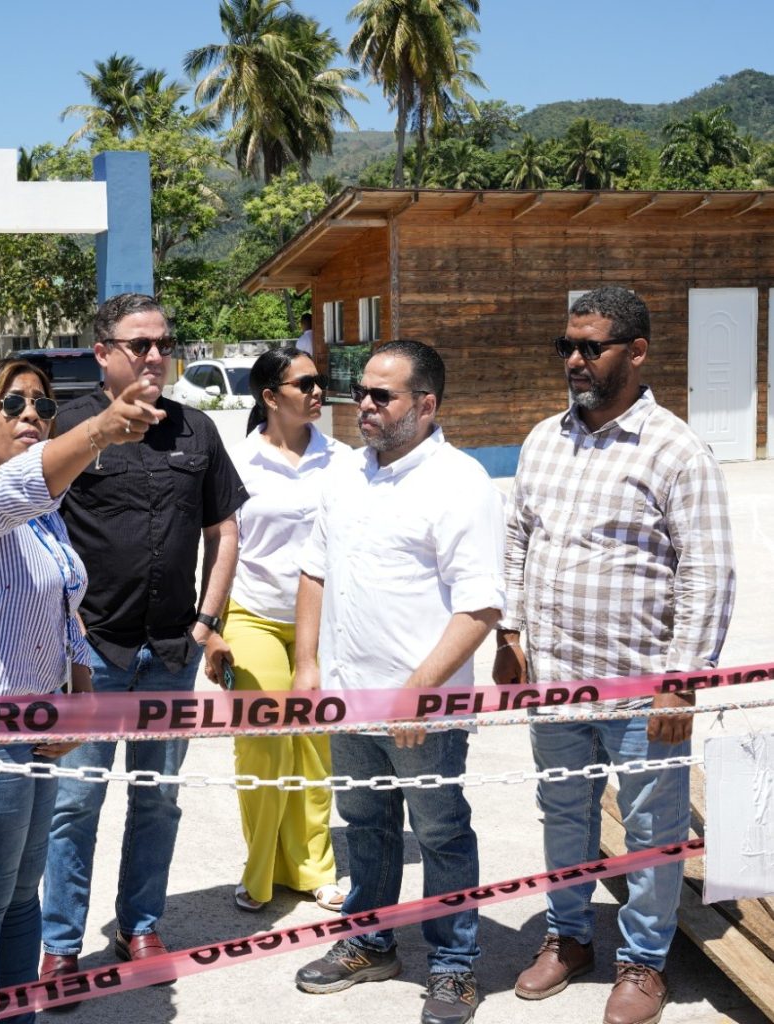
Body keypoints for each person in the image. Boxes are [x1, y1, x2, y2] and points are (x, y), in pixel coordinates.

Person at [493, 287, 735, 1024]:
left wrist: (678, 684)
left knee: (650, 829)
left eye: (589, 346)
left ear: (634, 352)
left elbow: (707, 573)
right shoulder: (543, 439)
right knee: (561, 812)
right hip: (556, 684)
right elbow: (516, 537)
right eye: (566, 345)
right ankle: (567, 937)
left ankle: (642, 961)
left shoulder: (674, 450)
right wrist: (509, 633)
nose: (573, 359)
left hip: (641, 691)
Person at [0, 356, 159, 1024]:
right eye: (13, 404)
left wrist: (75, 696)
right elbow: (15, 490)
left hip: (36, 723)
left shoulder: (44, 511)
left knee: (22, 899)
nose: (31, 417)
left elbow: (67, 608)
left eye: (43, 407)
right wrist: (101, 427)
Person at [293, 340, 506, 1024]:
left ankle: (452, 966)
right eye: (361, 392)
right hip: (349, 699)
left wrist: (420, 688)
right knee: (365, 825)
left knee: (440, 832)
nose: (364, 405)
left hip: (423, 709)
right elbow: (313, 571)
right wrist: (305, 667)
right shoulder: (343, 474)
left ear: (426, 404)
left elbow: (479, 607)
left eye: (382, 396)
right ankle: (369, 941)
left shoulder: (459, 482)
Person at [41, 293, 247, 988]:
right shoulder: (69, 429)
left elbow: (224, 530)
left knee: (156, 796)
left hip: (170, 654)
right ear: (102, 354)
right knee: (74, 802)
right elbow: (32, 532)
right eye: (138, 344)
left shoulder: (196, 430)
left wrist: (207, 621)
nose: (155, 354)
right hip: (88, 655)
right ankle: (60, 944)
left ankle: (141, 925)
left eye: (163, 342)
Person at [221, 347, 346, 913]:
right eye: (305, 383)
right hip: (252, 615)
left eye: (319, 381)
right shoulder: (237, 463)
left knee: (313, 747)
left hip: (320, 624)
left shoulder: (342, 460)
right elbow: (222, 548)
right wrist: (212, 628)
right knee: (264, 746)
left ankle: (313, 866)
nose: (318, 391)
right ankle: (261, 871)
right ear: (271, 397)